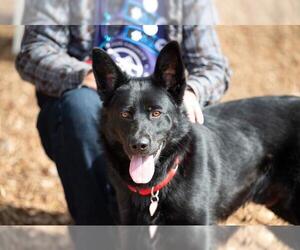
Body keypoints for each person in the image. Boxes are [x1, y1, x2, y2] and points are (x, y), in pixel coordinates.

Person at [15, 0, 231, 225]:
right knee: (79, 106)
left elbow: (213, 67)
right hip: (95, 106)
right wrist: (84, 75)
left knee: (180, 120)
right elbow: (33, 51)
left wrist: (187, 91)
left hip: (160, 108)